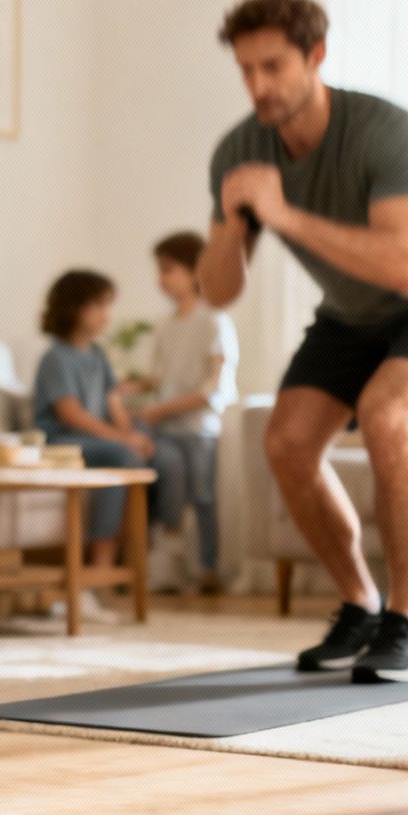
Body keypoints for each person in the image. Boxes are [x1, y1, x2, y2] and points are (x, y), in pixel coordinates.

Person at [198, 0, 408, 684]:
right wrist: (235, 224)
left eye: (274, 66)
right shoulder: (239, 152)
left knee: (388, 418)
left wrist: (282, 214)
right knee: (286, 443)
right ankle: (361, 603)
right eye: (246, 70)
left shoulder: (389, 132)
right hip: (350, 312)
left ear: (316, 56)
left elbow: (404, 266)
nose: (259, 86)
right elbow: (218, 291)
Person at [33, 270, 155, 620]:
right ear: (74, 307)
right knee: (120, 455)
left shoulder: (98, 355)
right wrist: (124, 440)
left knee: (145, 452)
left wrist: (133, 435)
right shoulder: (56, 357)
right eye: (99, 305)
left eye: (108, 306)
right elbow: (70, 414)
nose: (106, 315)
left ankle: (117, 566)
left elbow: (113, 404)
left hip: (94, 440)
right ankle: (96, 573)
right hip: (61, 442)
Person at [129, 231, 238, 595]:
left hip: (199, 428)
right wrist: (127, 389)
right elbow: (160, 378)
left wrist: (161, 408)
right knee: (168, 491)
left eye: (169, 269)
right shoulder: (166, 325)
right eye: (159, 271)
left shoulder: (214, 320)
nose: (161, 279)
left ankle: (208, 569)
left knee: (203, 497)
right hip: (165, 430)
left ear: (195, 270)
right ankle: (165, 565)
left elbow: (213, 386)